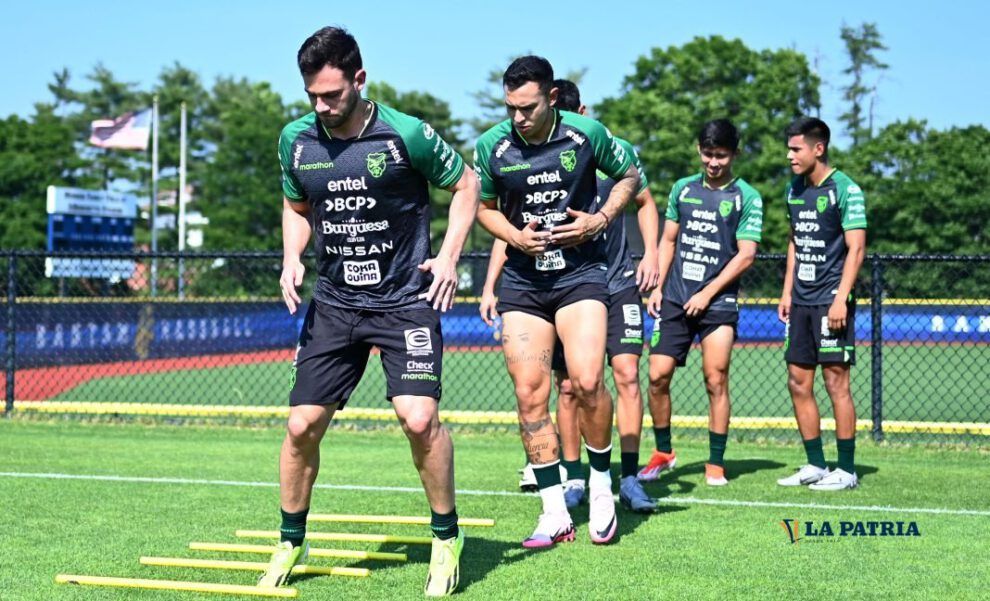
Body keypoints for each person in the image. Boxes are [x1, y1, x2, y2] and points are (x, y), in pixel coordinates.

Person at [262, 27, 480, 597]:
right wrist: (291, 257)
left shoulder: (406, 134)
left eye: (331, 94)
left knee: (419, 420)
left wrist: (449, 256)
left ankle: (446, 537)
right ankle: (291, 540)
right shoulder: (296, 140)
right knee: (300, 426)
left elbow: (467, 184)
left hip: (404, 300)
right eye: (312, 95)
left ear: (359, 80)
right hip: (335, 304)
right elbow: (296, 206)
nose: (321, 106)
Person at [474, 57, 639, 547]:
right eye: (511, 107)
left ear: (550, 98)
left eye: (527, 107)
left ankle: (602, 487)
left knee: (587, 382)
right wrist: (514, 237)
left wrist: (600, 219)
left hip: (580, 276)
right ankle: (553, 511)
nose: (518, 117)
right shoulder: (491, 146)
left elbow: (629, 176)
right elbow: (483, 208)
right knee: (530, 394)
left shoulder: (586, 134)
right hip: (524, 284)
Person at [641, 119, 763, 487]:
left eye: (721, 155)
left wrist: (707, 293)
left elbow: (746, 255)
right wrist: (658, 287)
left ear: (734, 154)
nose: (713, 162)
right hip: (676, 299)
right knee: (657, 376)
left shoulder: (747, 197)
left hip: (718, 303)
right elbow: (668, 241)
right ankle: (663, 453)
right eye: (708, 154)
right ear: (699, 150)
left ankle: (715, 462)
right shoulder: (682, 189)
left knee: (715, 378)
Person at [776, 116, 866, 491]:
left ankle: (846, 469)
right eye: (789, 149)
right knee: (798, 381)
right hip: (801, 301)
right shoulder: (793, 189)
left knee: (835, 382)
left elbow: (856, 248)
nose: (790, 156)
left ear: (818, 148)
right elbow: (795, 240)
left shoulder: (846, 189)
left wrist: (841, 299)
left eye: (796, 149)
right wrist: (787, 291)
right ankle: (815, 464)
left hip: (832, 300)